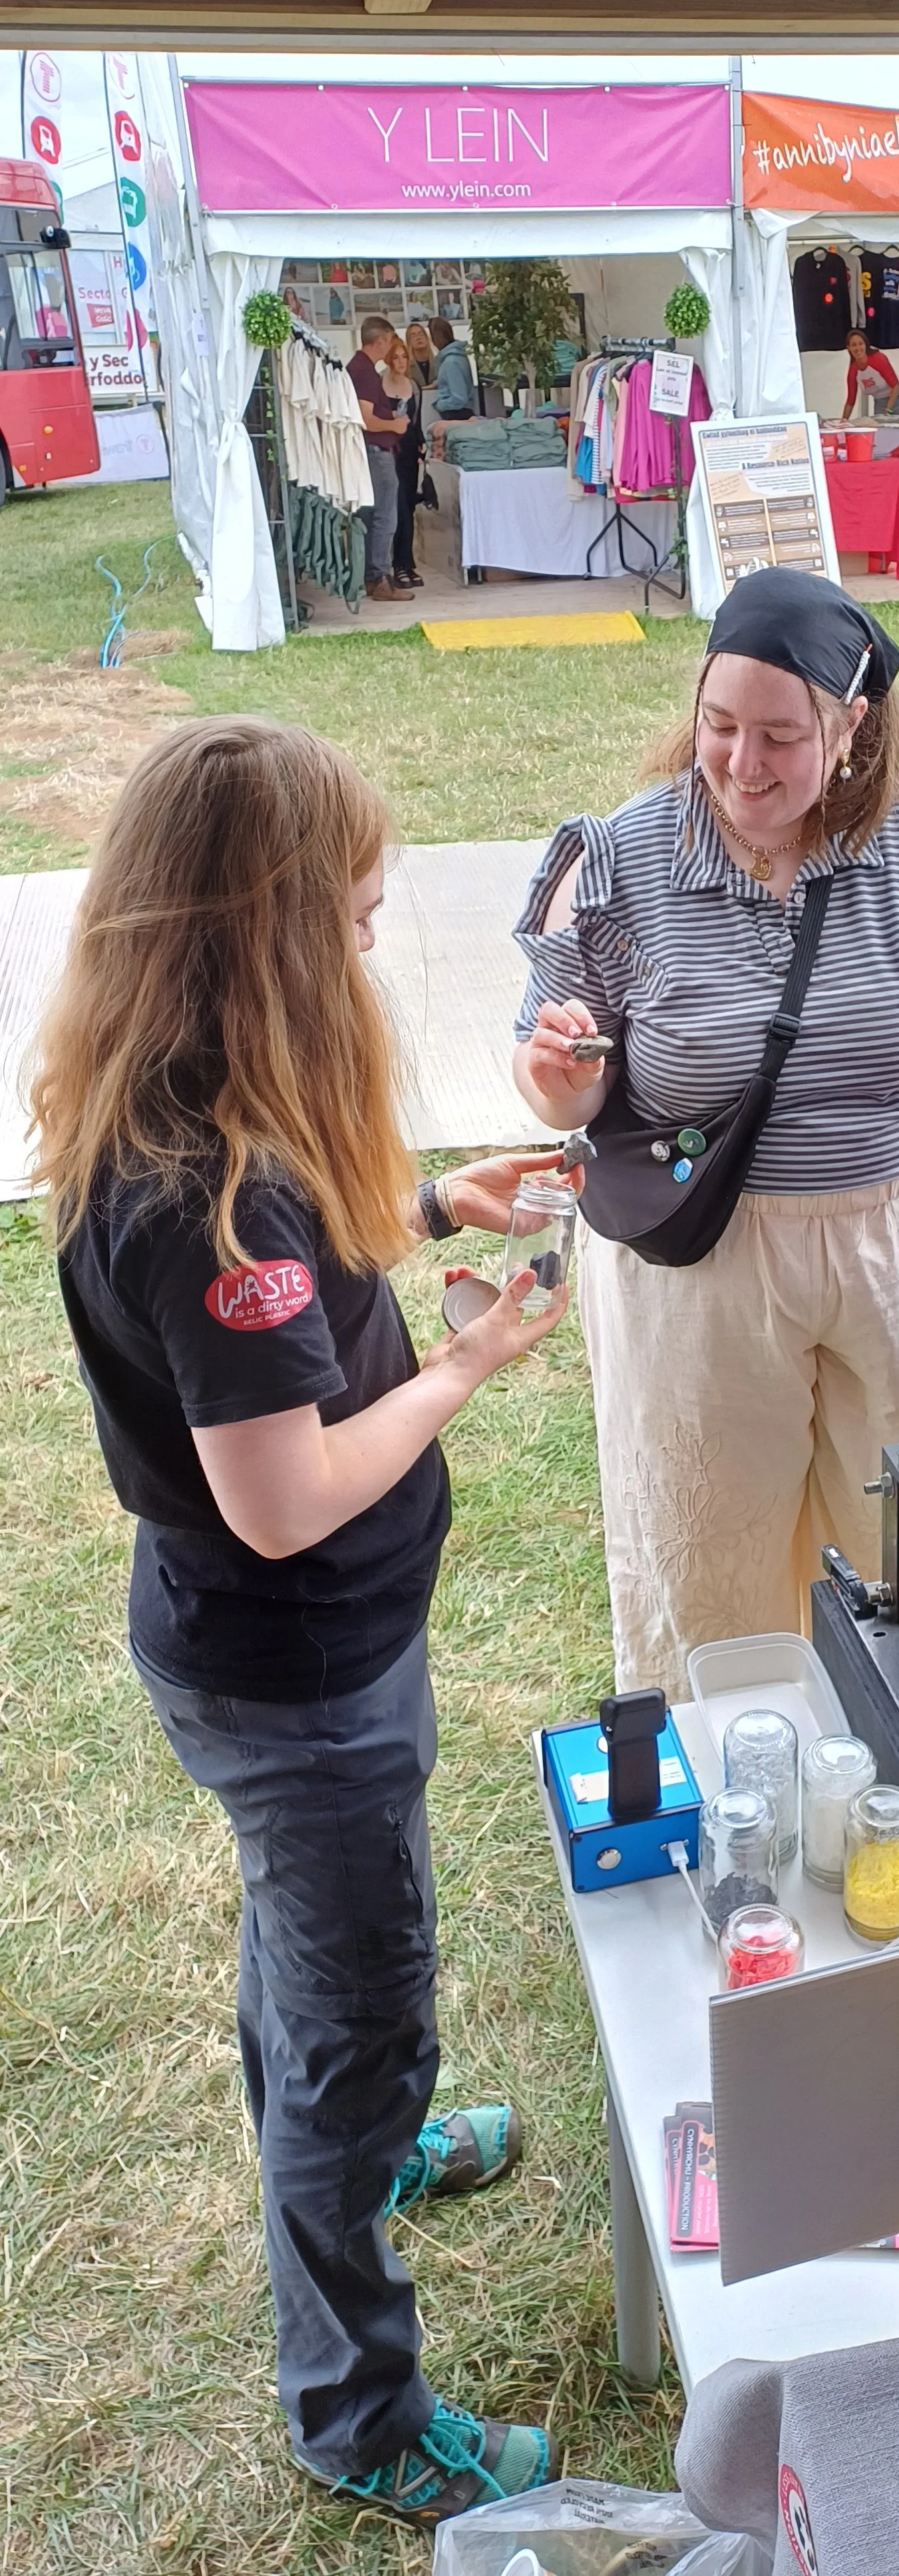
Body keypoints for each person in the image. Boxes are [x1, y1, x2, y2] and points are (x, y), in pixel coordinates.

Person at [30, 717, 577, 2529]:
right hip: (301, 1674)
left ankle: (367, 2137)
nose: (367, 934)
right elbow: (285, 1494)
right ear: (260, 936)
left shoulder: (184, 1109)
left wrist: (418, 1209)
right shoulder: (213, 1194)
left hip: (283, 1666)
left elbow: (277, 1307)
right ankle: (358, 2413)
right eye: (345, 911)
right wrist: (476, 1360)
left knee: (315, 1950)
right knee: (358, 2012)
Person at [512, 566, 899, 1691]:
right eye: (718, 725)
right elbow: (562, 1093)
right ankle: (728, 1757)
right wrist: (559, 1076)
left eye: (779, 736)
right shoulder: (622, 861)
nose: (741, 763)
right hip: (701, 1261)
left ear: (849, 729)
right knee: (707, 1550)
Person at [347, 314, 411, 603]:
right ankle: (381, 577)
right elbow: (366, 419)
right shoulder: (365, 372)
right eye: (389, 342)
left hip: (367, 451)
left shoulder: (357, 368)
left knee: (370, 515)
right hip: (376, 450)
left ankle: (371, 576)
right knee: (385, 516)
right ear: (381, 341)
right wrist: (394, 425)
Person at [383, 333, 425, 591]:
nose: (400, 361)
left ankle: (406, 563)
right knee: (396, 508)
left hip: (409, 451)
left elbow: (417, 420)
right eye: (396, 357)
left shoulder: (414, 387)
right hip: (391, 451)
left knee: (408, 507)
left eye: (404, 357)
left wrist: (422, 444)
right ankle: (397, 564)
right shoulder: (381, 385)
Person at [841, 328, 899, 420]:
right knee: (881, 427)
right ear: (849, 348)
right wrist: (843, 421)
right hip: (880, 401)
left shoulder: (878, 359)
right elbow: (851, 400)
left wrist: (888, 411)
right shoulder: (853, 370)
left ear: (866, 345)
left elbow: (895, 385)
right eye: (854, 345)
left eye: (861, 344)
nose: (858, 348)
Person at [431, 315, 477, 421]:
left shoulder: (450, 362)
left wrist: (439, 405)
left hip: (455, 414)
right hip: (462, 412)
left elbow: (459, 398)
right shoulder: (459, 356)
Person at [406, 317, 437, 388]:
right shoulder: (406, 365)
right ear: (409, 341)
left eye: (421, 334)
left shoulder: (438, 361)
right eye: (413, 335)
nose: (418, 338)